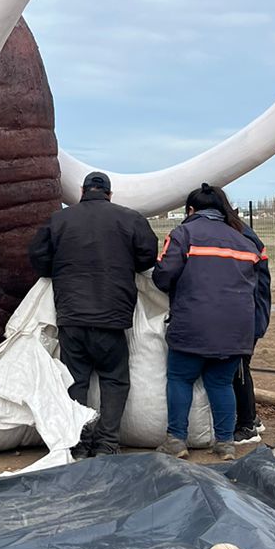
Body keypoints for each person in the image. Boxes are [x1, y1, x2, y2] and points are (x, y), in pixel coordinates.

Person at [28, 171, 158, 457]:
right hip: (112, 317)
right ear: (109, 194)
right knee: (114, 379)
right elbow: (147, 256)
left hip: (72, 316)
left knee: (76, 380)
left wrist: (59, 269)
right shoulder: (130, 218)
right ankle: (107, 444)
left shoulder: (59, 220)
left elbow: (38, 258)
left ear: (82, 191)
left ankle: (79, 442)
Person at [152, 184, 270, 458]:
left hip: (192, 325)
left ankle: (176, 440)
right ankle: (225, 442)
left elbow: (163, 275)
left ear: (191, 210)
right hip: (236, 329)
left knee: (180, 378)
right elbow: (259, 285)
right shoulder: (246, 240)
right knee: (221, 383)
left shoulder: (183, 234)